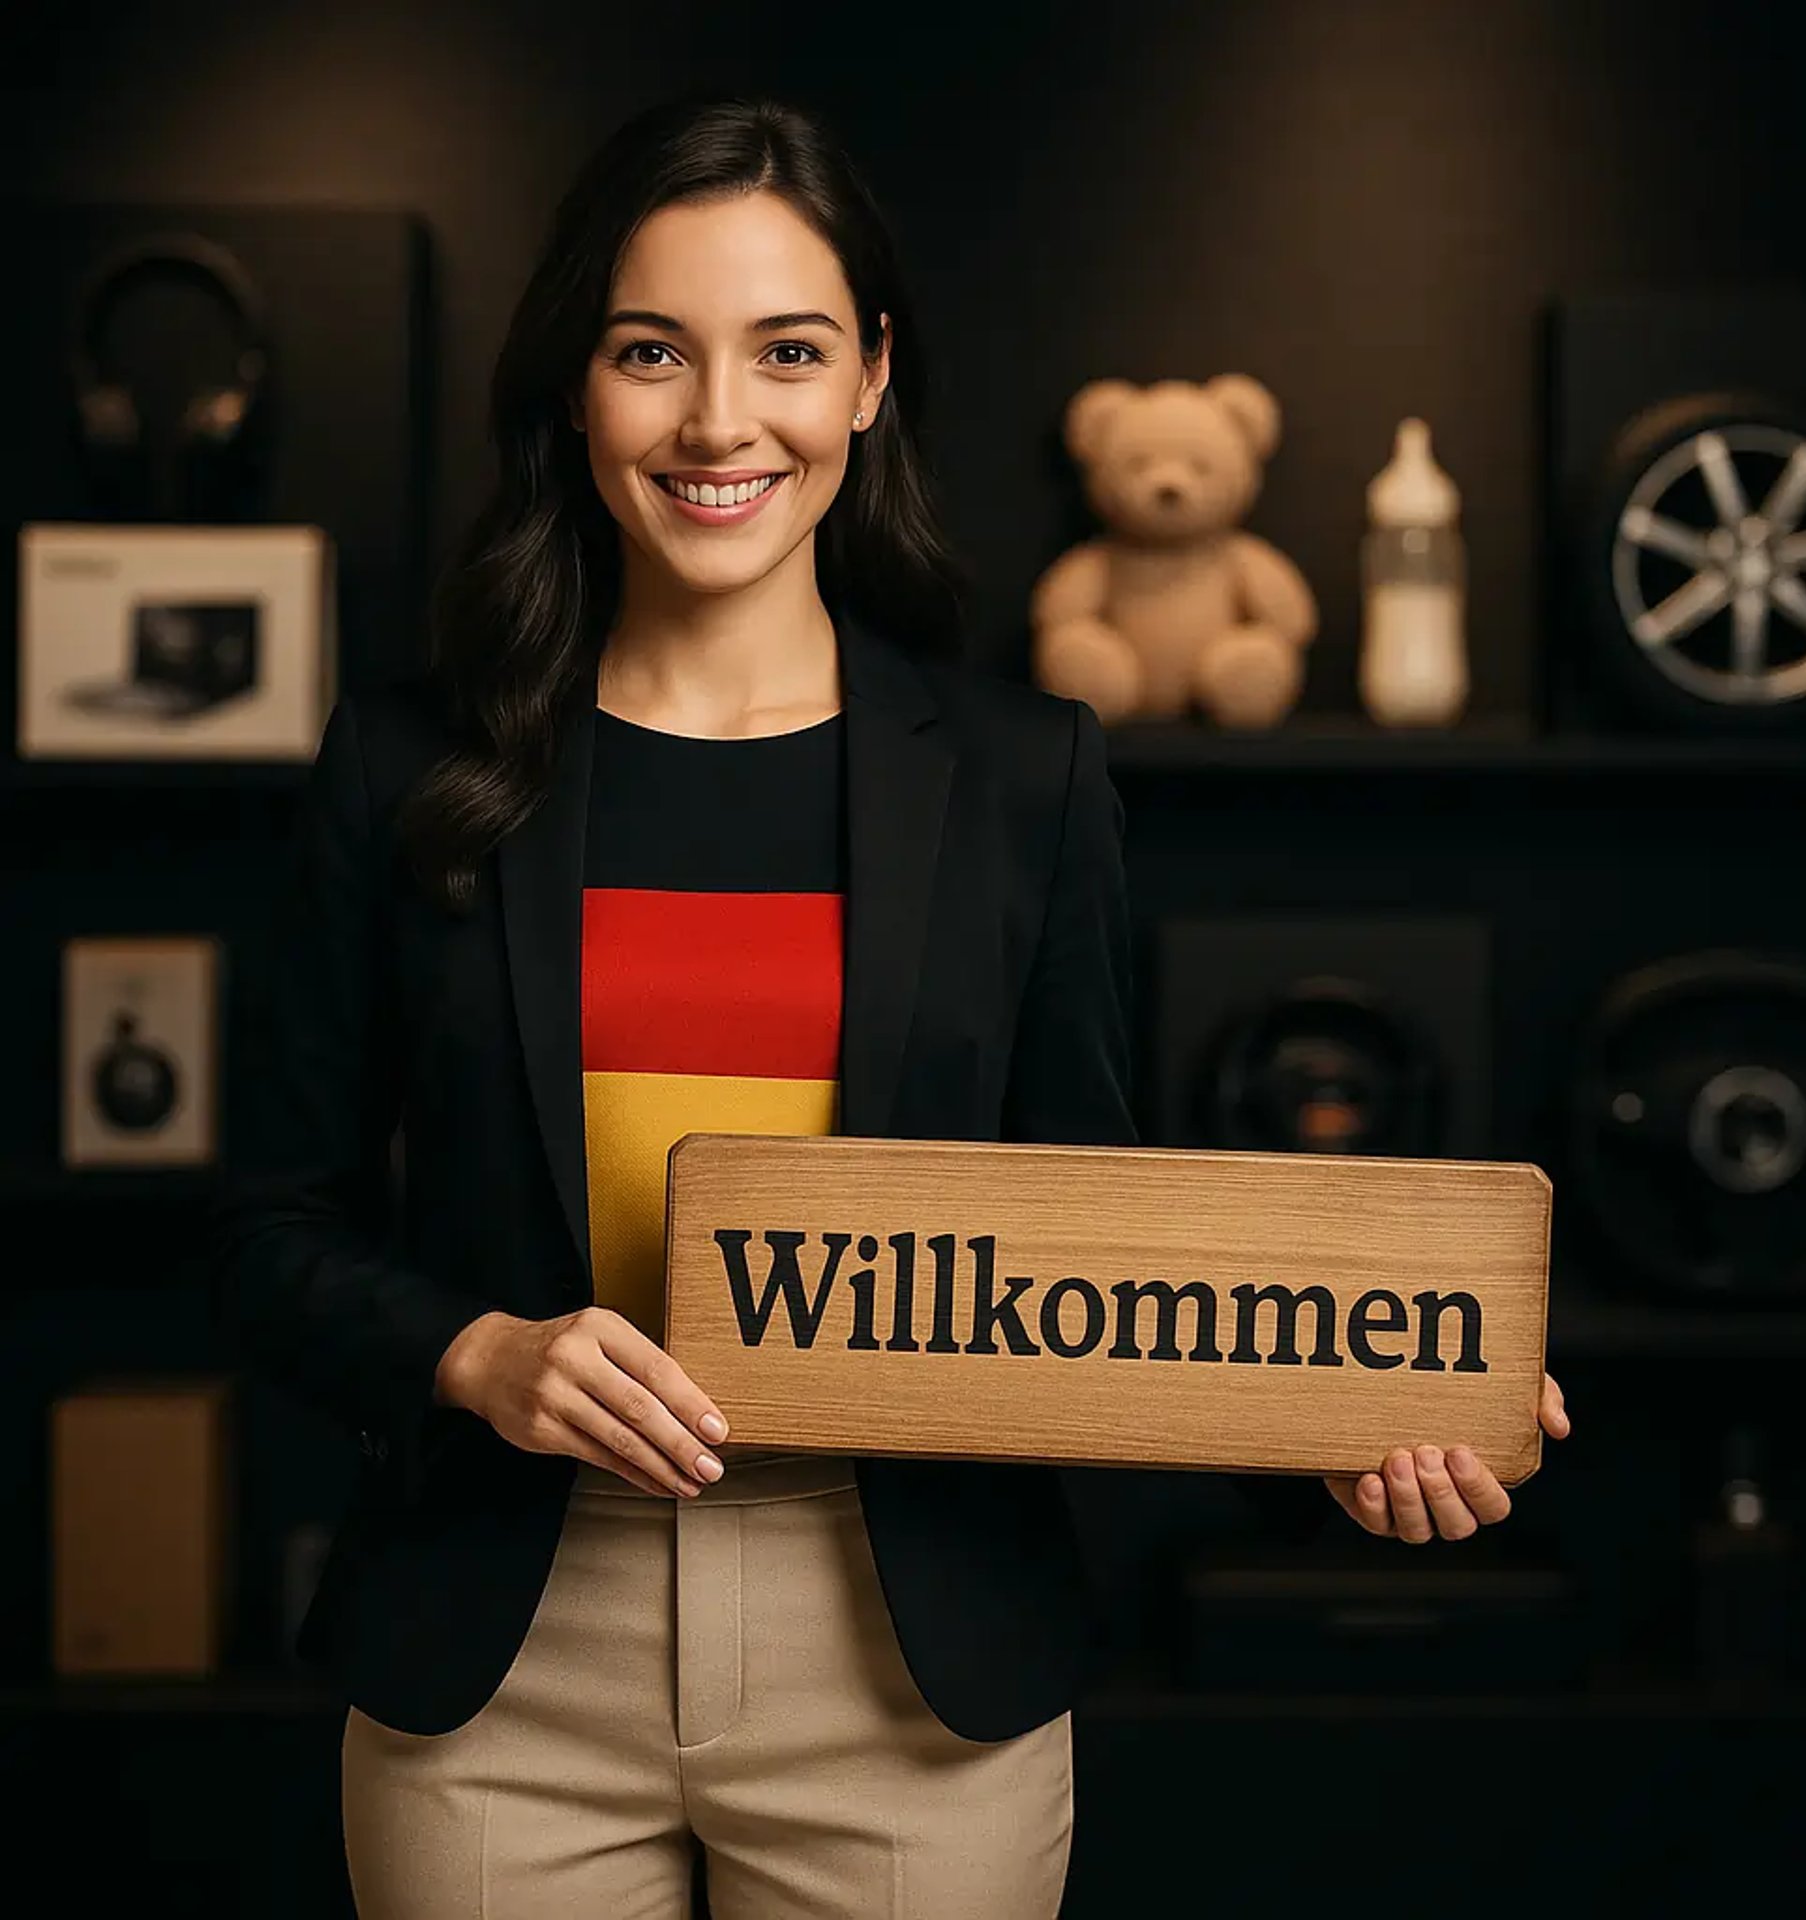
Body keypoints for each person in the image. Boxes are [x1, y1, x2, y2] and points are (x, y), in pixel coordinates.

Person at [206, 90, 1570, 1920]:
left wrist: (1332, 1433)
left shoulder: (1024, 778)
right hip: (501, 1663)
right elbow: (261, 1229)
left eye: (787, 351)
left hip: (913, 1668)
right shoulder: (400, 769)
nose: (717, 421)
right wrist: (482, 1357)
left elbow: (1096, 1241)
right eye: (648, 353)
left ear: (870, 379)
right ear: (575, 386)